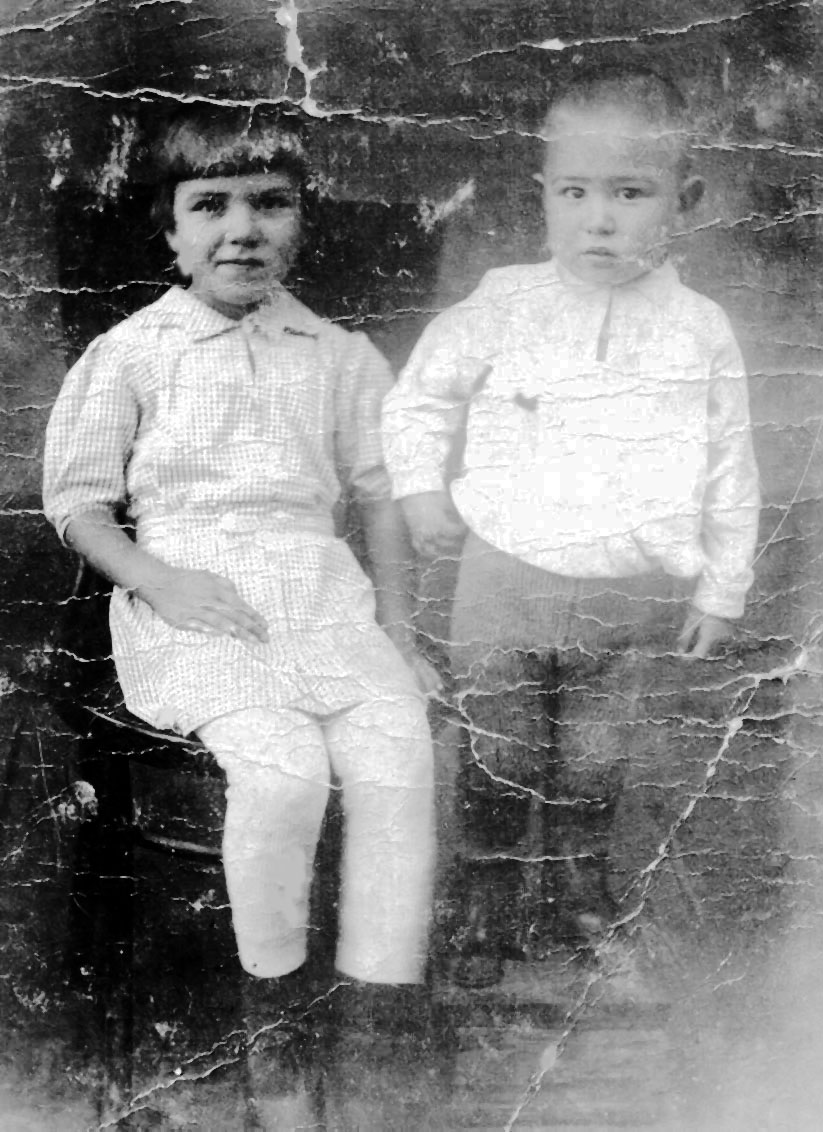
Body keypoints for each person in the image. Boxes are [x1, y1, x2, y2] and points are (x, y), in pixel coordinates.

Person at [42, 104, 439, 1091]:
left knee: (396, 760)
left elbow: (380, 499)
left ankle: (375, 1009)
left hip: (322, 600)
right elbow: (80, 504)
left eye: (270, 203)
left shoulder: (339, 355)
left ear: (301, 219)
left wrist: (400, 632)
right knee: (284, 771)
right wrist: (162, 581)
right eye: (210, 205)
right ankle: (278, 1011)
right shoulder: (132, 352)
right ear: (171, 230)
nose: (242, 229)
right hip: (193, 601)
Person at [382, 63, 761, 987]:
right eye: (575, 192)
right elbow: (420, 397)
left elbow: (729, 462)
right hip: (503, 580)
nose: (599, 220)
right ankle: (483, 899)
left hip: (623, 595)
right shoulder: (506, 300)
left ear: (685, 199)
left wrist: (721, 588)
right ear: (542, 195)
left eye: (630, 193)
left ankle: (581, 893)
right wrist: (421, 490)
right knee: (498, 750)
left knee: (594, 763)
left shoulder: (698, 327)